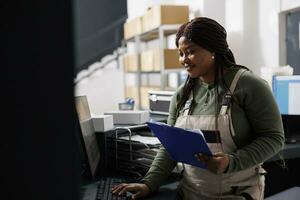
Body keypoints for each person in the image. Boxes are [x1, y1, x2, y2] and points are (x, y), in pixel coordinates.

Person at [112, 17, 284, 200]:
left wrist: (231, 162)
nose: (183, 60)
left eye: (190, 52)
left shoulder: (249, 85)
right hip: (190, 193)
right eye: (180, 53)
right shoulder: (183, 94)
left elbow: (274, 138)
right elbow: (171, 146)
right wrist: (149, 183)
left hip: (237, 193)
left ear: (213, 50)